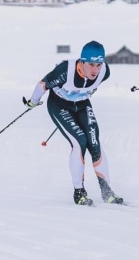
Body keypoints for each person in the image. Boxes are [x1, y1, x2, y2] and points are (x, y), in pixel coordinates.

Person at [25, 40, 124, 206]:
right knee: (80, 142)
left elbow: (90, 86)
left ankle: (107, 192)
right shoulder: (65, 71)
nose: (95, 70)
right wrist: (33, 101)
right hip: (59, 105)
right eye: (91, 64)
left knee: (94, 143)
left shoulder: (104, 72)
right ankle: (79, 193)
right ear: (82, 61)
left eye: (99, 64)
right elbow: (43, 84)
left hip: (82, 105)